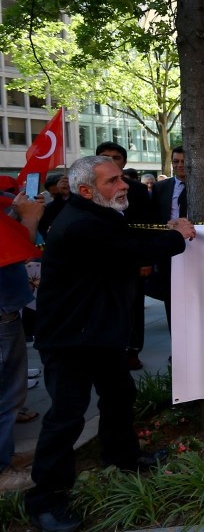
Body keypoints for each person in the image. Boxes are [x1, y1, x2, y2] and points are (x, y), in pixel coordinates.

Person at [25, 155, 196, 532]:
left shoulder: (99, 216)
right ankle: (46, 499)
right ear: (86, 190)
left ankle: (123, 456)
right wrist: (178, 235)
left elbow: (129, 238)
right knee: (66, 417)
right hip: (70, 339)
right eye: (113, 181)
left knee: (119, 395)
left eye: (121, 178)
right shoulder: (82, 225)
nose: (123, 186)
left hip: (99, 333)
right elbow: (132, 251)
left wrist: (165, 232)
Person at [0, 192, 43, 493]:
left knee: (10, 394)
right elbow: (15, 250)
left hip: (7, 312)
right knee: (5, 394)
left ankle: (5, 456)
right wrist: (29, 218)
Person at [96, 141, 152, 371]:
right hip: (97, 262)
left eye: (115, 158)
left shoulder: (136, 190)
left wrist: (147, 260)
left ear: (123, 162)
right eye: (104, 156)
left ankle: (132, 350)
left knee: (132, 306)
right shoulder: (87, 188)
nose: (110, 161)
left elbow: (147, 225)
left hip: (131, 260)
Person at [149, 146, 188, 330]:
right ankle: (177, 349)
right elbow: (153, 219)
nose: (179, 165)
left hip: (197, 249)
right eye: (176, 161)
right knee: (171, 301)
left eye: (183, 161)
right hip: (168, 252)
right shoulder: (160, 187)